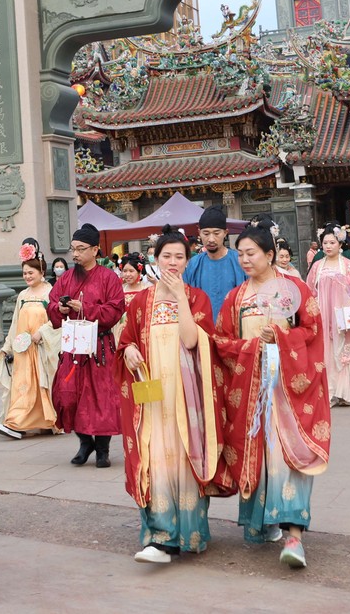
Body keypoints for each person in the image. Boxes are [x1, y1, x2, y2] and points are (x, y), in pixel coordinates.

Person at [212, 224, 330, 570]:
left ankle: (294, 535)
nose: (245, 260)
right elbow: (222, 340)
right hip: (252, 391)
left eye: (251, 253)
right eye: (241, 254)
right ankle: (264, 523)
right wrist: (251, 346)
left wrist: (279, 335)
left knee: (289, 455)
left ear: (269, 254)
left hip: (289, 390)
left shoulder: (294, 289)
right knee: (260, 456)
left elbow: (312, 328)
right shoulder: (236, 298)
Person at [117, 227, 220, 564]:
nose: (173, 262)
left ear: (188, 261)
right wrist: (129, 350)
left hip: (187, 396)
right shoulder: (141, 302)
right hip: (152, 397)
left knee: (186, 456)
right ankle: (161, 538)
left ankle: (189, 533)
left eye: (179, 257)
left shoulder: (197, 298)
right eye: (166, 256)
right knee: (154, 457)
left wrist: (179, 298)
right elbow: (126, 339)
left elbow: (192, 341)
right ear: (155, 259)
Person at [49, 223, 127, 469]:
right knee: (67, 395)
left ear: (95, 250)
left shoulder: (109, 277)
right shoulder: (66, 278)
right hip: (73, 347)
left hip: (99, 346)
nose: (75, 254)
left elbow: (115, 309)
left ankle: (102, 449)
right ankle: (85, 442)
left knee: (101, 398)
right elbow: (51, 304)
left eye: (81, 249)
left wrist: (86, 308)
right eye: (73, 249)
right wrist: (59, 309)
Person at [0, 251, 60, 439]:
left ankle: (42, 420)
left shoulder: (51, 293)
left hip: (42, 349)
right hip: (23, 350)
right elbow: (15, 323)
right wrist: (8, 346)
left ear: (41, 272)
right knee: (22, 385)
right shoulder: (23, 295)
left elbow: (57, 319)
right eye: (24, 273)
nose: (27, 276)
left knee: (41, 384)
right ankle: (16, 422)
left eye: (31, 272)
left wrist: (42, 332)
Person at [306, 225, 350, 406]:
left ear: (340, 244)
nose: (328, 246)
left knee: (344, 350)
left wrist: (343, 280)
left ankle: (346, 393)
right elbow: (310, 290)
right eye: (325, 243)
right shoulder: (317, 266)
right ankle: (330, 393)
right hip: (323, 314)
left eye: (332, 242)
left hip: (343, 315)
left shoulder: (349, 265)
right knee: (326, 352)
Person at [182, 206, 246, 316]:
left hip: (234, 324)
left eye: (216, 233)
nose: (211, 239)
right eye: (206, 234)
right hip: (201, 326)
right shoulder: (193, 264)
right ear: (199, 233)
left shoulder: (240, 261)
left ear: (225, 233)